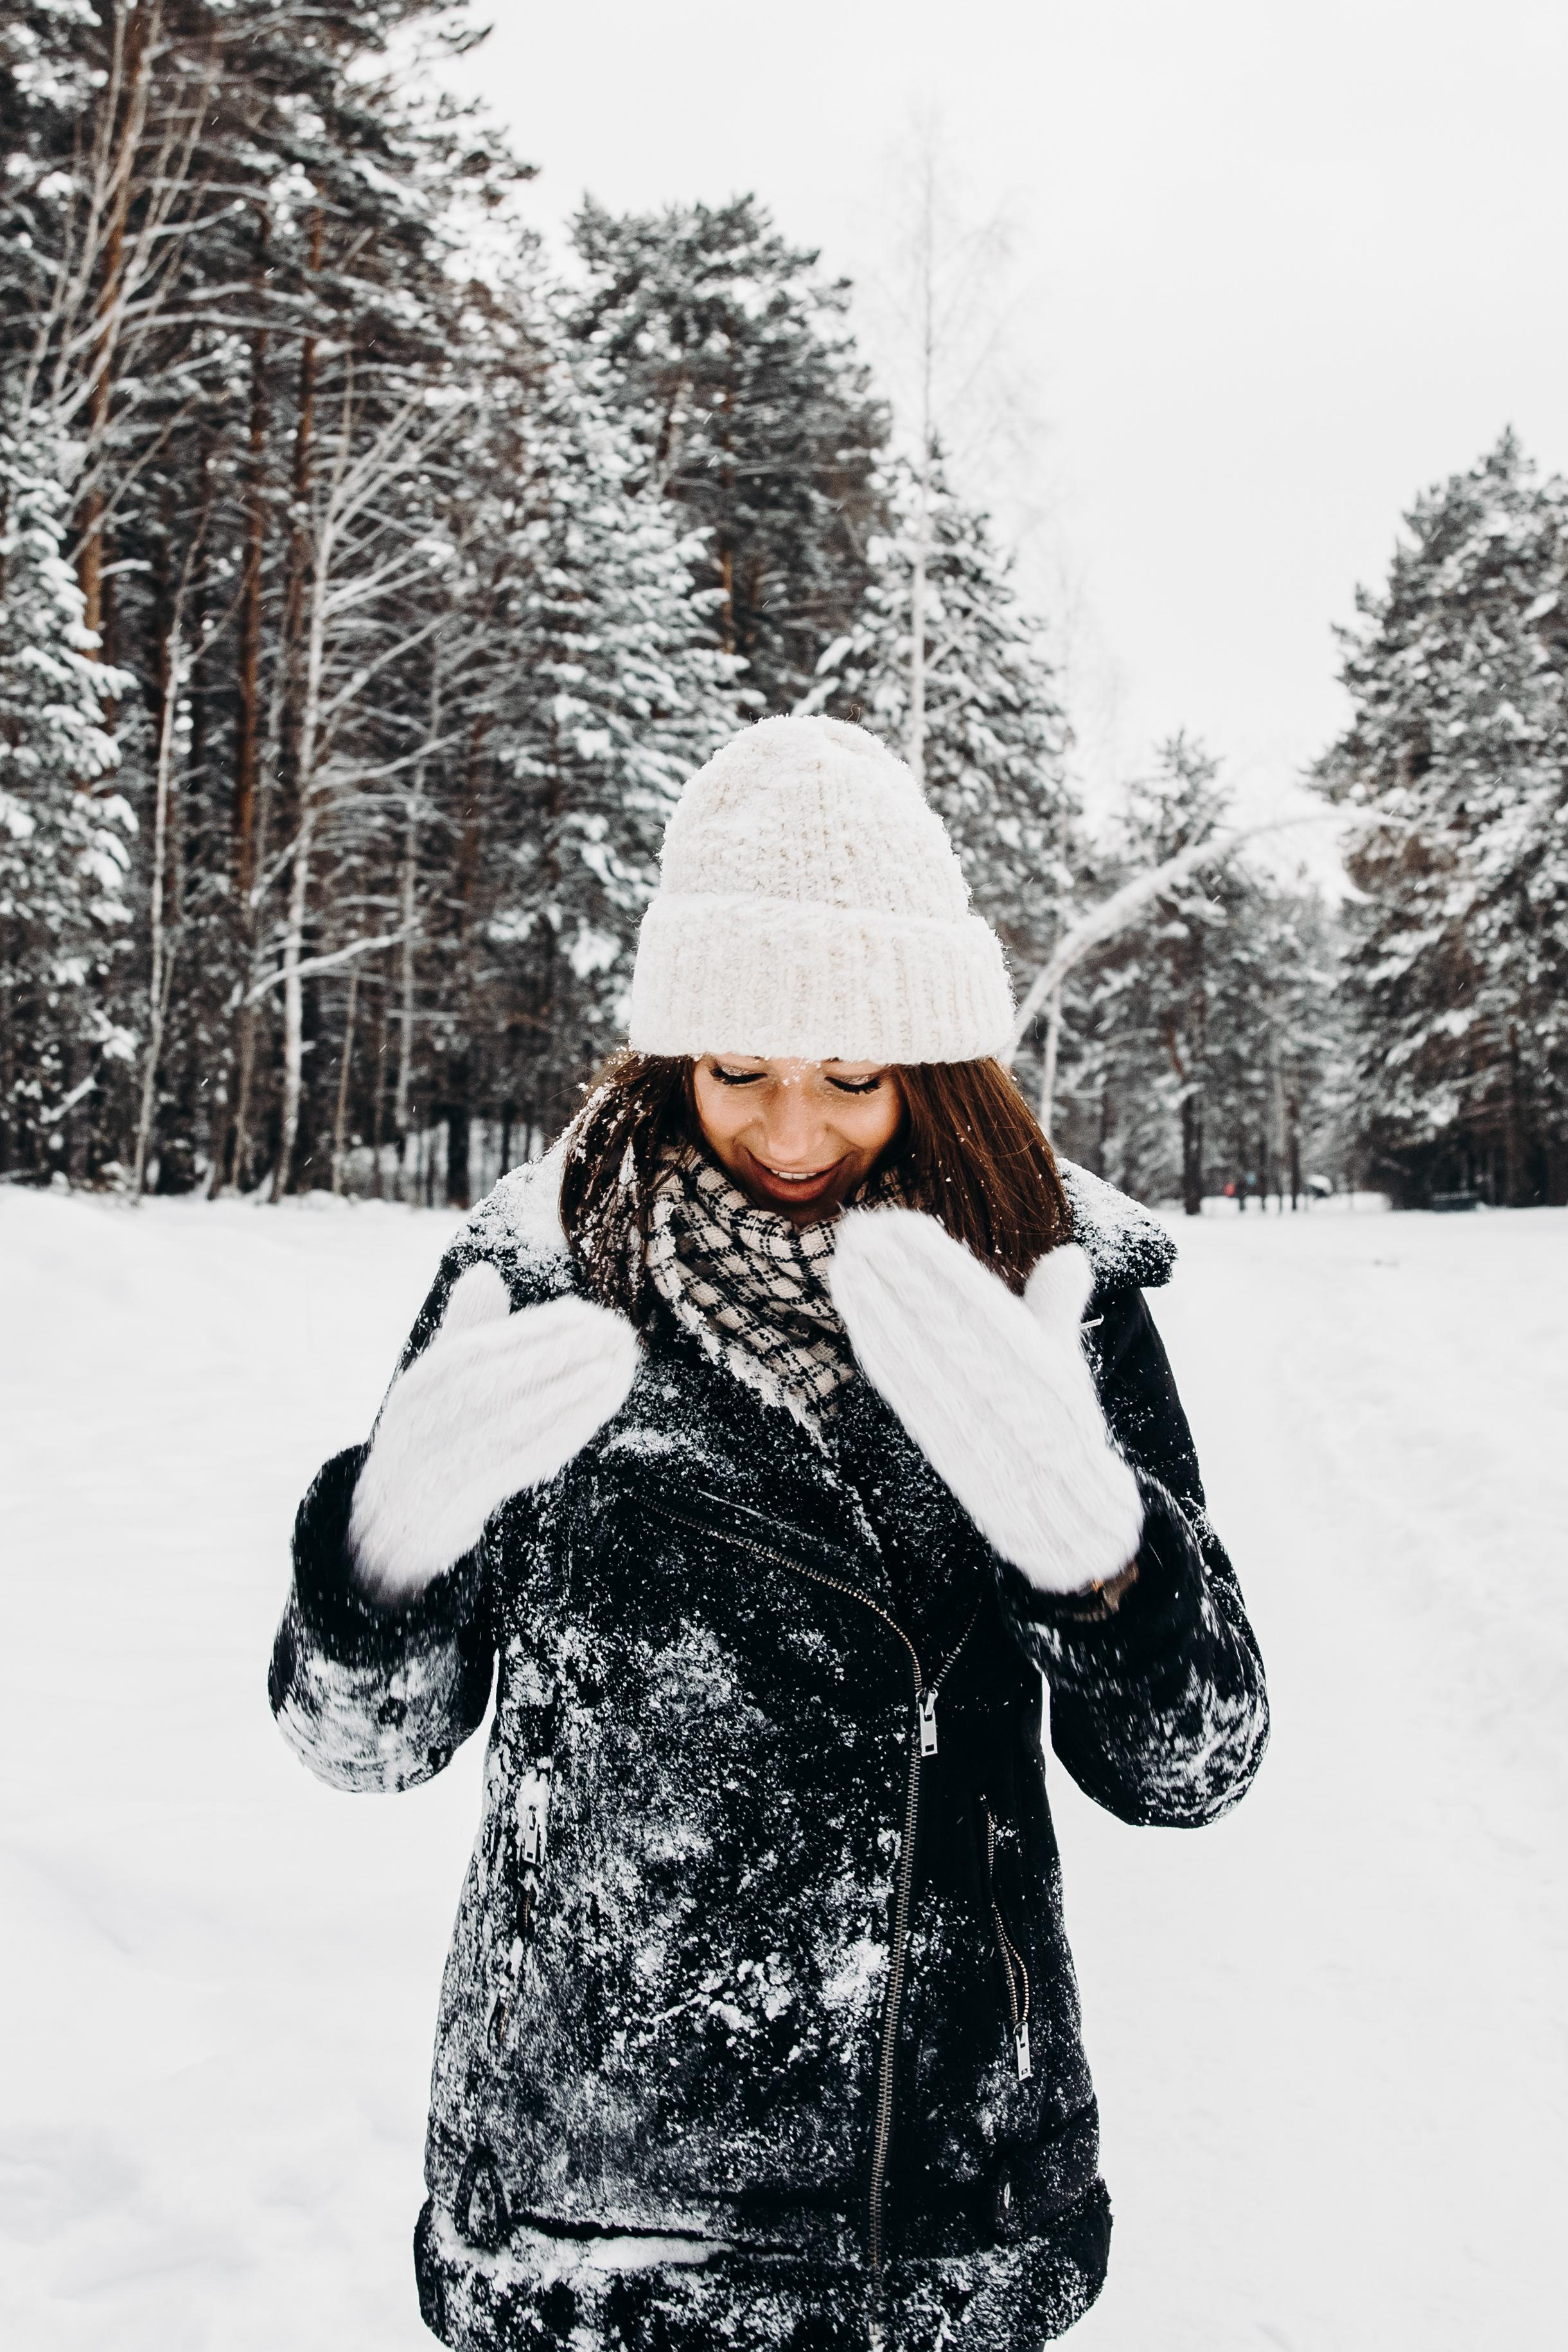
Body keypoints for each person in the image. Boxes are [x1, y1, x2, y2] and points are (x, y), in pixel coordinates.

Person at [269, 716, 1269, 2352]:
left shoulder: (1051, 1301)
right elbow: (357, 1749)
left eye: (851, 1079)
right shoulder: (534, 1286)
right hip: (587, 2211)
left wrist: (1107, 1563)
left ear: (932, 1070)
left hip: (930, 2212)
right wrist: (380, 1560)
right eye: (738, 1070)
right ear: (672, 1052)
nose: (791, 1134)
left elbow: (1193, 1768)